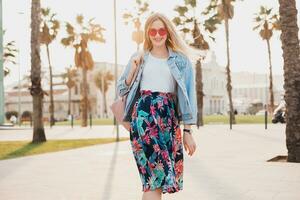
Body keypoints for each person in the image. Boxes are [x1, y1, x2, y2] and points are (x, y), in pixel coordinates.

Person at [117, 12, 197, 200]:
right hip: (144, 120)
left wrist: (188, 131)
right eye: (152, 31)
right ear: (147, 33)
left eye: (161, 30)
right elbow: (121, 89)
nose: (157, 34)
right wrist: (134, 69)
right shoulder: (140, 57)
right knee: (155, 178)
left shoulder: (181, 61)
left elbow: (189, 96)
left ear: (168, 32)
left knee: (154, 181)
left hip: (168, 120)